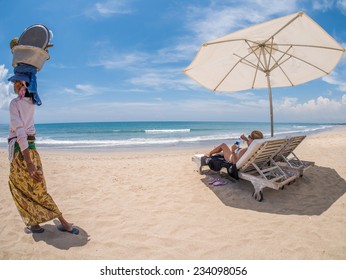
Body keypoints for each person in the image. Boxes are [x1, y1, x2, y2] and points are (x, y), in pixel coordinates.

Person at [7, 73, 79, 235]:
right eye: (16, 81)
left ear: (25, 85)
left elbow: (20, 133)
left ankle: (57, 223)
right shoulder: (30, 102)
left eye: (19, 82)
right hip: (32, 151)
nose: (16, 84)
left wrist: (29, 164)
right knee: (38, 189)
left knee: (17, 187)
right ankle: (41, 224)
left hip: (22, 154)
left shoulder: (14, 103)